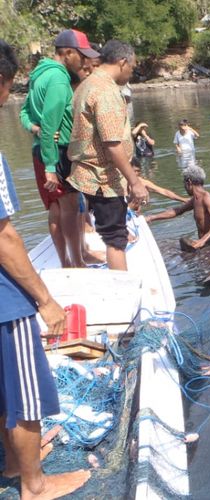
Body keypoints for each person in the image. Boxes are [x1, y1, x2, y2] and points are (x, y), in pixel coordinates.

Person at [0, 38, 91, 499]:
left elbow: (29, 119)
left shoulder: (38, 81)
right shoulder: (56, 81)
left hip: (42, 157)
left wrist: (34, 130)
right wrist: (45, 300)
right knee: (24, 390)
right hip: (3, 299)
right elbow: (3, 236)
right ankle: (34, 484)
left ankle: (16, 461)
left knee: (1, 389)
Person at [19, 29, 100, 268]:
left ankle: (68, 261)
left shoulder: (38, 75)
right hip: (57, 151)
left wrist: (34, 129)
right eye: (81, 55)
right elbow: (51, 123)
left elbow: (24, 113)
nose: (85, 61)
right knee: (71, 208)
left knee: (56, 209)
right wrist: (52, 166)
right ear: (67, 53)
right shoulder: (58, 78)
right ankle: (78, 263)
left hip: (41, 150)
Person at [67, 40, 149, 272]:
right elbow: (112, 144)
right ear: (122, 62)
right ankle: (122, 290)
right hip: (103, 178)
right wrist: (135, 182)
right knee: (116, 240)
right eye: (132, 67)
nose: (131, 72)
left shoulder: (86, 84)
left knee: (113, 235)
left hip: (87, 174)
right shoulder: (106, 91)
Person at [145, 166, 210, 251]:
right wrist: (151, 217)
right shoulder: (195, 199)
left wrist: (202, 241)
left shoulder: (206, 197)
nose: (184, 187)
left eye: (184, 183)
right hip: (204, 243)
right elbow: (178, 211)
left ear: (189, 182)